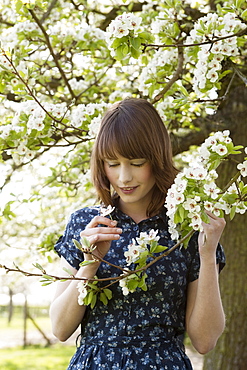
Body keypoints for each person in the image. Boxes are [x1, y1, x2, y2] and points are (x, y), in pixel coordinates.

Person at [50, 98, 226, 370]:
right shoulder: (87, 223)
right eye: (112, 163)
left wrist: (207, 253)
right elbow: (60, 328)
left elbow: (205, 341)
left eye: (136, 162)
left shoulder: (188, 226)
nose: (124, 178)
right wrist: (90, 265)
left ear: (157, 159)